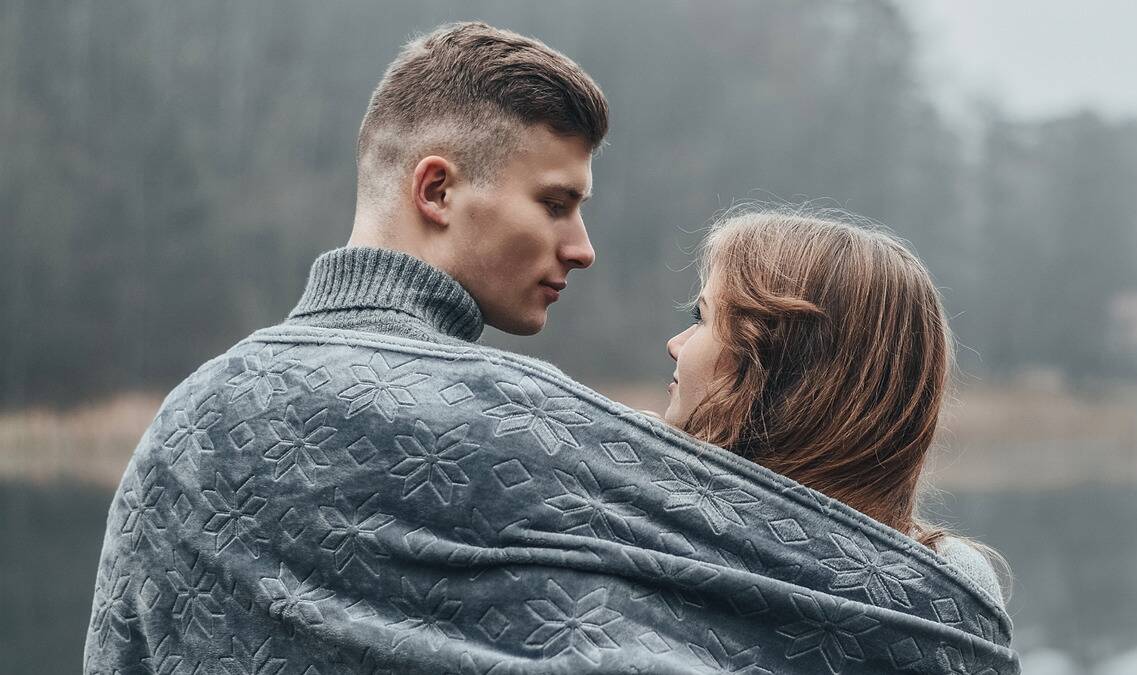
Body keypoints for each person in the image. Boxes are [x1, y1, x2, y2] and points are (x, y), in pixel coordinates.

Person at [85, 21, 1018, 674]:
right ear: (439, 190)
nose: (583, 247)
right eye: (557, 203)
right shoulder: (526, 416)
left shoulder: (193, 414)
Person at [660, 207, 1007, 605]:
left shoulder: (658, 528)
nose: (676, 344)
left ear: (784, 369)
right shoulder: (954, 582)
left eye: (701, 318)